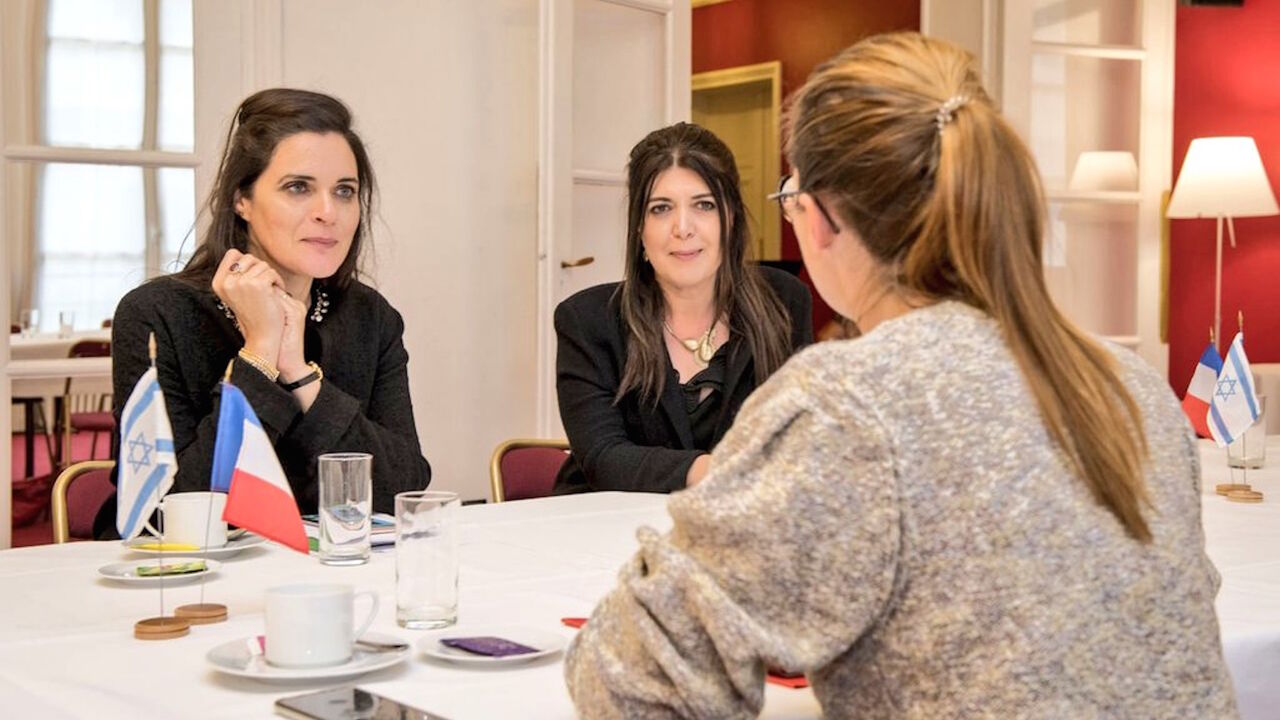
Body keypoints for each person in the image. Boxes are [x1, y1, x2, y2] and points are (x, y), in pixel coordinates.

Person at [564, 33, 1236, 717]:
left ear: (819, 220)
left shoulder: (843, 405)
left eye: (790, 199)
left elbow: (626, 683)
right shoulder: (1132, 386)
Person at [95, 88, 431, 538]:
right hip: (191, 570)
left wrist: (300, 375)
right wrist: (259, 353)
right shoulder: (158, 313)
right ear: (242, 200)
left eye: (344, 191)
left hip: (328, 566)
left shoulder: (372, 318)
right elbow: (171, 510)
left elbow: (404, 488)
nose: (328, 212)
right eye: (298, 187)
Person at [553, 122, 812, 494]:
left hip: (738, 520)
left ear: (731, 217)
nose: (683, 228)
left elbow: (800, 439)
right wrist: (720, 470)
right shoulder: (587, 320)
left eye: (704, 205)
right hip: (608, 520)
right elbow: (604, 458)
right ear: (639, 229)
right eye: (661, 209)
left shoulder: (783, 301)